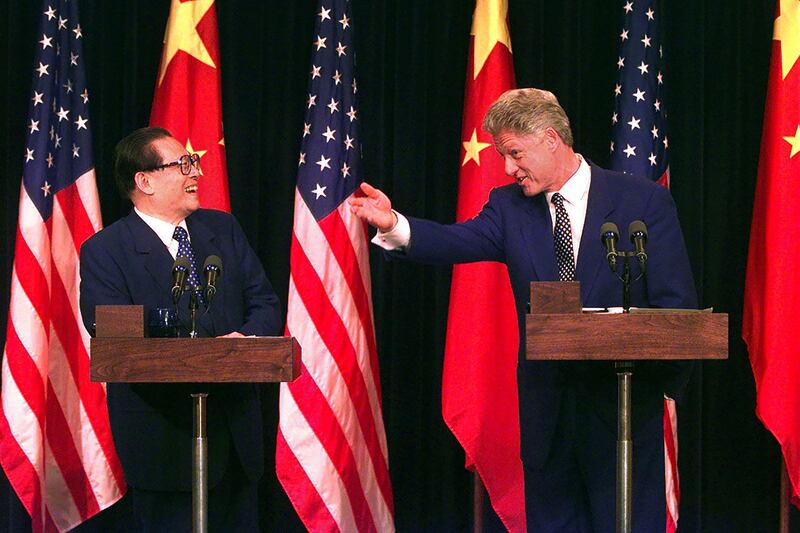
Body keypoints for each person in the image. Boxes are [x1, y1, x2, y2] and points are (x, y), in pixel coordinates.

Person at [349, 88, 697, 532]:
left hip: (623, 415)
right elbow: (458, 241)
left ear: (551, 138)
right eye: (503, 156)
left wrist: (662, 386)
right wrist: (395, 224)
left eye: (515, 153)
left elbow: (676, 307)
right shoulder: (509, 206)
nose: (509, 168)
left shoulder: (641, 202)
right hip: (547, 419)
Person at [79, 127, 281, 531]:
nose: (196, 174)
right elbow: (111, 326)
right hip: (162, 439)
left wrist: (240, 343)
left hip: (235, 435)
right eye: (183, 165)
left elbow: (265, 304)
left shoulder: (223, 230)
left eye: (195, 163)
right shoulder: (105, 249)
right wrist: (187, 345)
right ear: (145, 181)